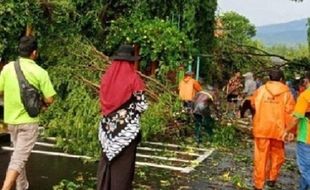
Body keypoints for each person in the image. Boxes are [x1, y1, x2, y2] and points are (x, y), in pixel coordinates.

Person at [0, 36, 56, 190]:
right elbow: (50, 99)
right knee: (19, 158)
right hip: (28, 122)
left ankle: (22, 186)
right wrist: (42, 104)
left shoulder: (8, 68)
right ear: (34, 53)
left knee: (19, 155)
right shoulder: (40, 72)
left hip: (11, 121)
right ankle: (5, 188)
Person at [97, 44, 148, 190]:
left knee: (106, 163)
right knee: (123, 168)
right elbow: (142, 105)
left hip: (106, 130)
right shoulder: (133, 78)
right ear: (131, 61)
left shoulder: (106, 77)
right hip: (126, 133)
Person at [251, 70, 295, 190]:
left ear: (269, 78)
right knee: (277, 155)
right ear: (281, 79)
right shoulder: (287, 93)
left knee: (260, 157)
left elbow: (253, 104)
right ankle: (272, 178)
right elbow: (290, 113)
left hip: (262, 128)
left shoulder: (260, 90)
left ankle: (258, 184)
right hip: (278, 130)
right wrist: (291, 131)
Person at [292, 71, 310, 190]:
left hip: (306, 136)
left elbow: (296, 117)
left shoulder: (305, 96)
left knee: (305, 169)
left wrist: (287, 131)